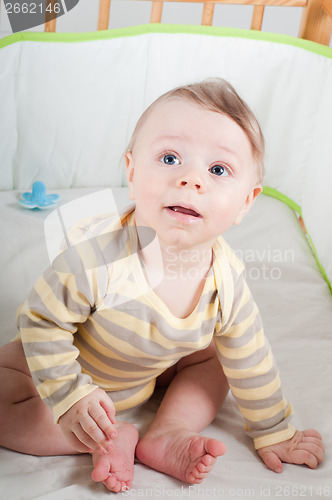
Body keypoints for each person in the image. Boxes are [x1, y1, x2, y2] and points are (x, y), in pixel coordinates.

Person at [0, 79, 324, 493]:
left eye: (218, 169)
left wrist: (274, 429)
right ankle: (103, 436)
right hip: (57, 373)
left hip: (146, 376)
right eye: (170, 158)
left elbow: (252, 358)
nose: (191, 179)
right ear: (132, 172)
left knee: (218, 359)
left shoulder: (225, 281)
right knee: (5, 390)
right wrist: (69, 395)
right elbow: (41, 324)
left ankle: (168, 431)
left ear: (246, 202)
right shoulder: (96, 256)